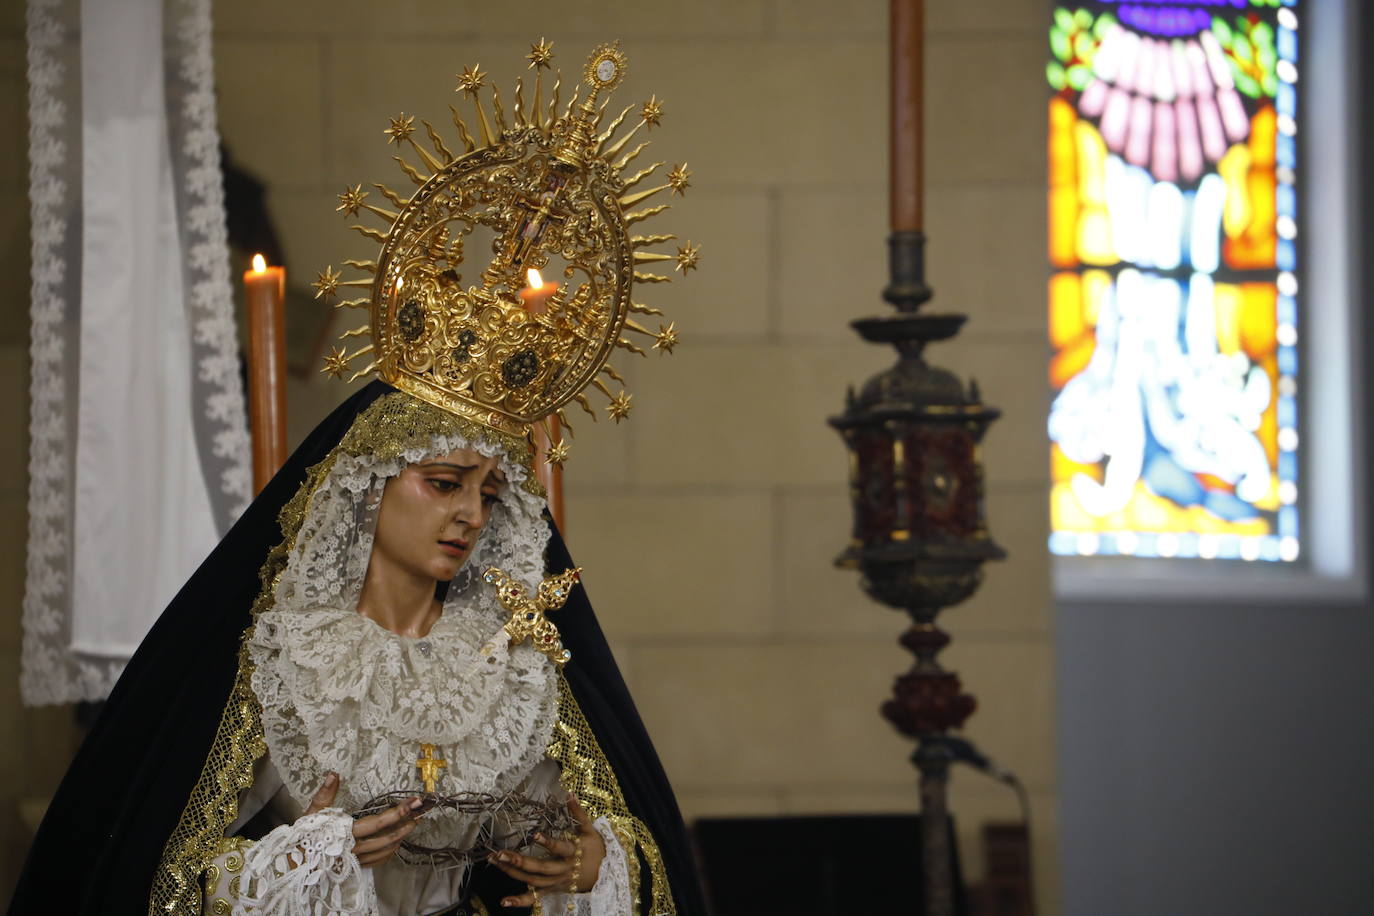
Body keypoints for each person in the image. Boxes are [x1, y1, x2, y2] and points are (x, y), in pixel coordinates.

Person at [11, 383, 705, 916]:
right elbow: (161, 870)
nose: (469, 514)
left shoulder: (508, 661)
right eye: (442, 483)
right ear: (370, 484)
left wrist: (592, 861)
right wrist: (299, 863)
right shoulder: (288, 656)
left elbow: (582, 828)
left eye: (489, 494)